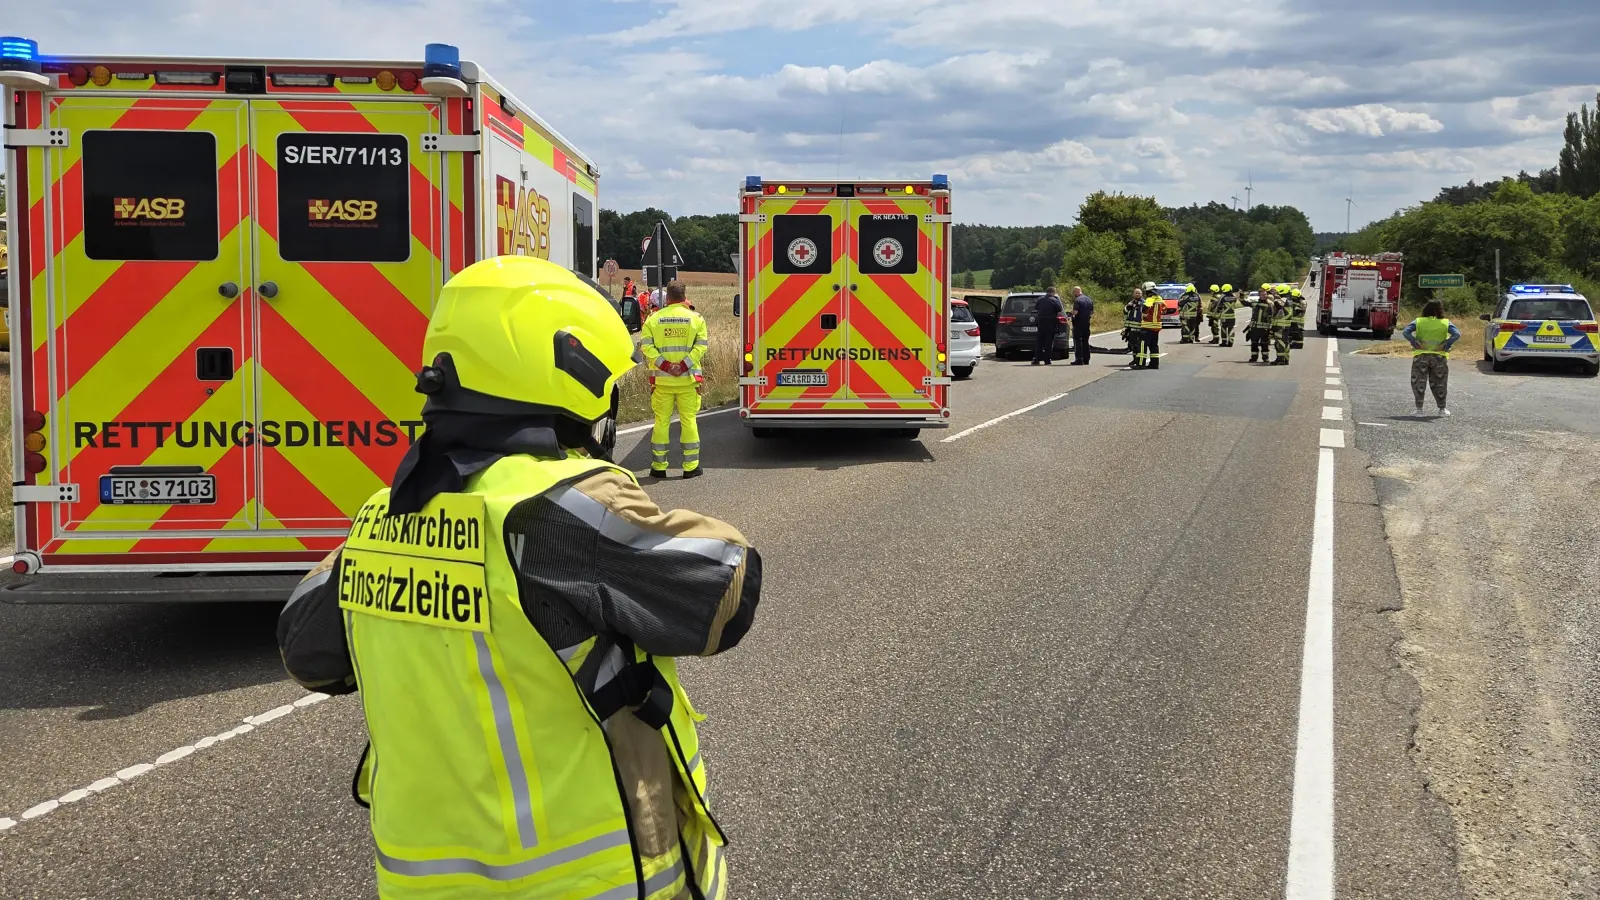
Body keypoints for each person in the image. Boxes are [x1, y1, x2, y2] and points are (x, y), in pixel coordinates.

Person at [276, 255, 756, 900]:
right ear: (566, 370)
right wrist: (614, 491)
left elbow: (308, 655)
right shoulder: (557, 509)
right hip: (583, 881)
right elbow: (727, 590)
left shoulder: (378, 521)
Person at [640, 281, 710, 477]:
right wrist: (684, 365)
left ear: (667, 298)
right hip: (688, 380)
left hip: (662, 381)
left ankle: (659, 467)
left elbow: (646, 347)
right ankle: (690, 467)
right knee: (689, 420)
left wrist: (665, 365)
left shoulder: (653, 320)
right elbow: (701, 347)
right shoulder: (696, 319)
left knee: (661, 421)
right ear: (684, 296)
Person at [1402, 299, 1460, 416]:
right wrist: (1446, 344)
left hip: (1421, 356)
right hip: (1439, 357)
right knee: (1440, 382)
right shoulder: (1445, 322)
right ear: (1440, 310)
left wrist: (1414, 342)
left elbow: (1406, 332)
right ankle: (1442, 409)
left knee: (1419, 382)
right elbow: (1457, 334)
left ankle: (1419, 410)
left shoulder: (1418, 321)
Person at [1032, 286, 1065, 365]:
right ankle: (1047, 360)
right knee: (1049, 341)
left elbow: (1036, 308)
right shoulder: (1054, 300)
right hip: (1051, 323)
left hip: (1041, 322)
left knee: (1039, 341)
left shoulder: (1040, 299)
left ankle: (1037, 359)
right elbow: (1059, 311)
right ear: (1053, 292)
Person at [1140, 283, 1165, 370]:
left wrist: (1144, 313)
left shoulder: (1150, 299)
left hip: (1147, 326)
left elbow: (1144, 308)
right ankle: (1154, 364)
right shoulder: (1160, 299)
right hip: (1156, 327)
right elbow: (1165, 309)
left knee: (1143, 345)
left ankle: (1141, 363)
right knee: (1154, 346)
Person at [1248, 286, 1275, 363]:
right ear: (1259, 295)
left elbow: (1273, 315)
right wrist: (1241, 296)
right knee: (1254, 343)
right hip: (1255, 328)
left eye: (1265, 294)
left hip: (1265, 329)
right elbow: (1245, 303)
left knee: (1265, 344)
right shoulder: (1255, 303)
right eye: (1263, 294)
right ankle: (1254, 357)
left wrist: (1272, 327)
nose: (1264, 296)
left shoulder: (1270, 304)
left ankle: (1265, 358)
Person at [1271, 285, 1295, 365]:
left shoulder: (1284, 299)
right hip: (1286, 325)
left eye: (1278, 291)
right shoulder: (1289, 300)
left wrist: (1274, 298)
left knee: (1279, 342)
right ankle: (1285, 358)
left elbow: (1278, 304)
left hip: (1281, 325)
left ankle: (1280, 359)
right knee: (1285, 342)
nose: (1277, 293)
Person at [1070, 286, 1095, 365]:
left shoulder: (1077, 300)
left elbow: (1075, 312)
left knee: (1078, 341)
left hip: (1078, 323)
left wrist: (1071, 313)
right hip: (1086, 323)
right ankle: (1086, 359)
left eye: (1074, 293)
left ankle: (1079, 359)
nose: (1074, 294)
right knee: (1085, 341)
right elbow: (1091, 312)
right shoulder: (1089, 300)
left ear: (1076, 292)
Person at [1123, 289, 1145, 368]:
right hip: (1131, 328)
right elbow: (1125, 312)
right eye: (1136, 293)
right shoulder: (1131, 302)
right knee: (1132, 345)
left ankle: (1139, 360)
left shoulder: (1144, 303)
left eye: (1139, 293)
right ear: (1133, 294)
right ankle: (1135, 359)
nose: (1137, 294)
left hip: (1140, 328)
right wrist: (1127, 307)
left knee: (1139, 346)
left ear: (1142, 294)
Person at [1218, 284, 1238, 348]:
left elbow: (1219, 307)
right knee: (1231, 328)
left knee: (1223, 329)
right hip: (1232, 316)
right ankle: (1231, 341)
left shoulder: (1222, 297)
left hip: (1224, 316)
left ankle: (1224, 342)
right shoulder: (1234, 297)